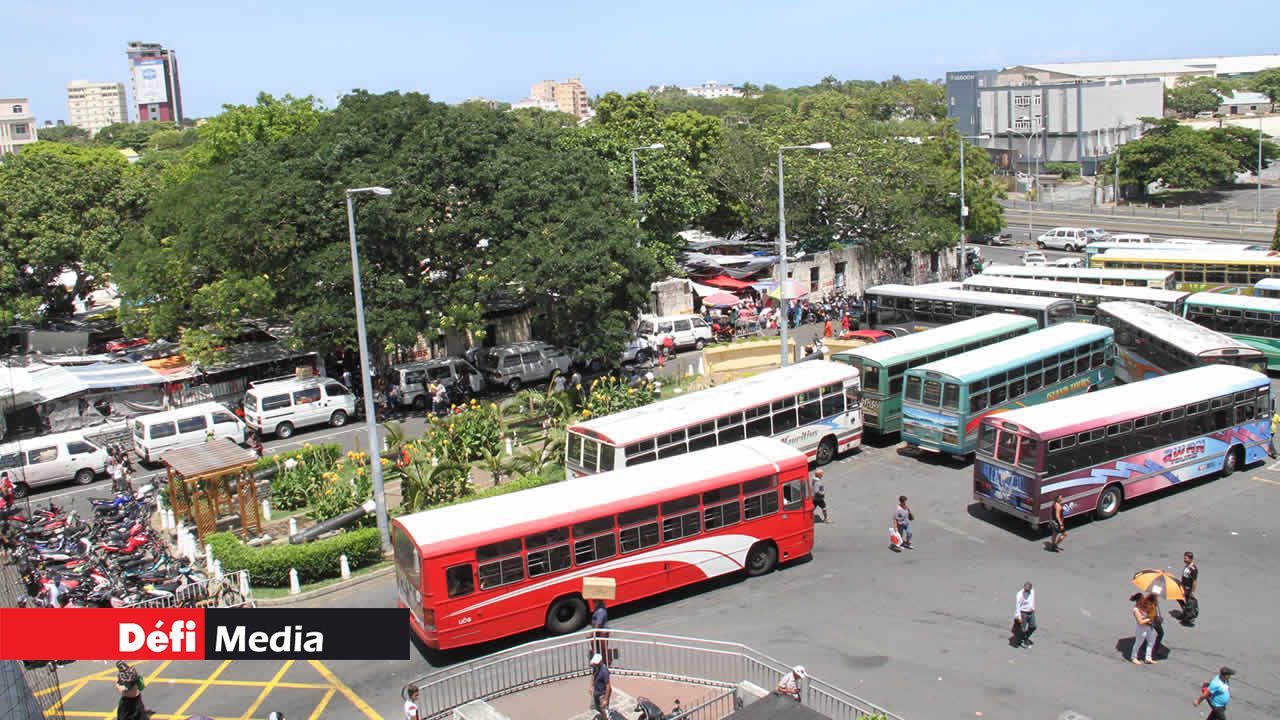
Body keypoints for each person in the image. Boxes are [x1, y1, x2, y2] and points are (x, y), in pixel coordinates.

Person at [1131, 594, 1157, 665]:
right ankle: (1134, 657)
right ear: (1138, 600)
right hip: (1141, 628)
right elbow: (1140, 622)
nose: (1144, 599)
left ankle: (1148, 658)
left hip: (1148, 627)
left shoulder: (1143, 606)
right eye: (1142, 598)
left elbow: (1150, 610)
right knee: (1138, 643)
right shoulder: (1136, 609)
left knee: (1151, 641)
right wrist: (1149, 619)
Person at [1179, 551, 1199, 626]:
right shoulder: (1187, 566)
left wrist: (1192, 592)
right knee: (1180, 598)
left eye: (1186, 558)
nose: (1184, 559)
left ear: (1190, 559)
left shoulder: (1193, 569)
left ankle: (1188, 617)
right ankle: (1185, 612)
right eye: (1184, 558)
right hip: (1183, 586)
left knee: (1188, 602)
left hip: (1188, 588)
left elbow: (1194, 581)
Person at [1014, 582, 1036, 648]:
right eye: (1025, 590)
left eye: (1028, 590)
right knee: (1023, 628)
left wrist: (1033, 608)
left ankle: (1024, 637)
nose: (1027, 591)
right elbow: (1018, 606)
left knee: (1033, 626)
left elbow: (1032, 600)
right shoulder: (1019, 595)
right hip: (1023, 613)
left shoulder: (1032, 591)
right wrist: (1018, 616)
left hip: (1031, 612)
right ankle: (1022, 641)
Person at [590, 653, 611, 720]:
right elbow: (593, 675)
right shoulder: (595, 666)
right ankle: (602, 716)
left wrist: (605, 699)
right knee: (597, 707)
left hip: (602, 693)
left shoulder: (604, 671)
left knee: (604, 710)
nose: (595, 664)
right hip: (596, 691)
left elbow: (608, 686)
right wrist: (591, 686)